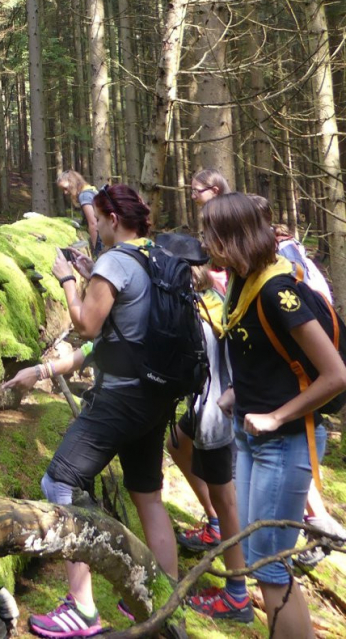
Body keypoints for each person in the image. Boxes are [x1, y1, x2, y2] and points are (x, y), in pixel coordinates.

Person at [26, 184, 178, 638]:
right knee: (148, 495)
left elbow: (86, 325)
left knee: (59, 481)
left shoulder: (115, 260)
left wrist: (68, 280)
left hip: (122, 396)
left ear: (112, 219)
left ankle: (83, 610)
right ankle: (164, 597)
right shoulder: (153, 256)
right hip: (155, 393)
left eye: (99, 216)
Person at [203, 193, 346, 638]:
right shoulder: (245, 281)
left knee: (271, 567)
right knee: (257, 553)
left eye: (210, 233)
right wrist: (234, 392)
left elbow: (335, 374)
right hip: (251, 436)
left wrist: (276, 417)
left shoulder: (276, 289)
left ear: (231, 238)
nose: (204, 242)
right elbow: (264, 355)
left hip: (283, 444)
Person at [156, 233, 251, 623]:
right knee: (177, 444)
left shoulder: (198, 307)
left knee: (226, 498)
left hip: (217, 412)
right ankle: (213, 522)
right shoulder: (203, 298)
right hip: (208, 404)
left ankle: (237, 594)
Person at [57, 170, 101, 256]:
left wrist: (96, 250)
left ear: (72, 182)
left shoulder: (84, 196)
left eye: (66, 188)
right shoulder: (91, 190)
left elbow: (93, 223)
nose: (65, 193)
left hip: (101, 240)